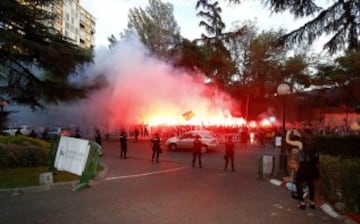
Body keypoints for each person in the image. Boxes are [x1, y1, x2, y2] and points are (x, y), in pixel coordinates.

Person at [286, 128, 320, 210]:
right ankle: (312, 203)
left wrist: (288, 133)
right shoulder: (313, 143)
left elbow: (288, 141)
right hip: (312, 167)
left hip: (304, 167)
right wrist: (298, 134)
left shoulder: (300, 144)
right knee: (311, 184)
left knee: (298, 183)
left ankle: (302, 203)